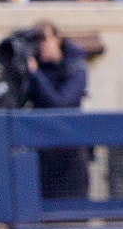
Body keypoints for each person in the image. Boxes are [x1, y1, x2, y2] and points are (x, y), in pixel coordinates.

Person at [26, 22, 90, 199]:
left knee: (72, 215)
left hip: (69, 155)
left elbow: (61, 104)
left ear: (58, 39)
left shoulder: (75, 67)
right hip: (41, 155)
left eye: (44, 39)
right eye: (37, 41)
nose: (41, 46)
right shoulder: (36, 69)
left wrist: (35, 74)